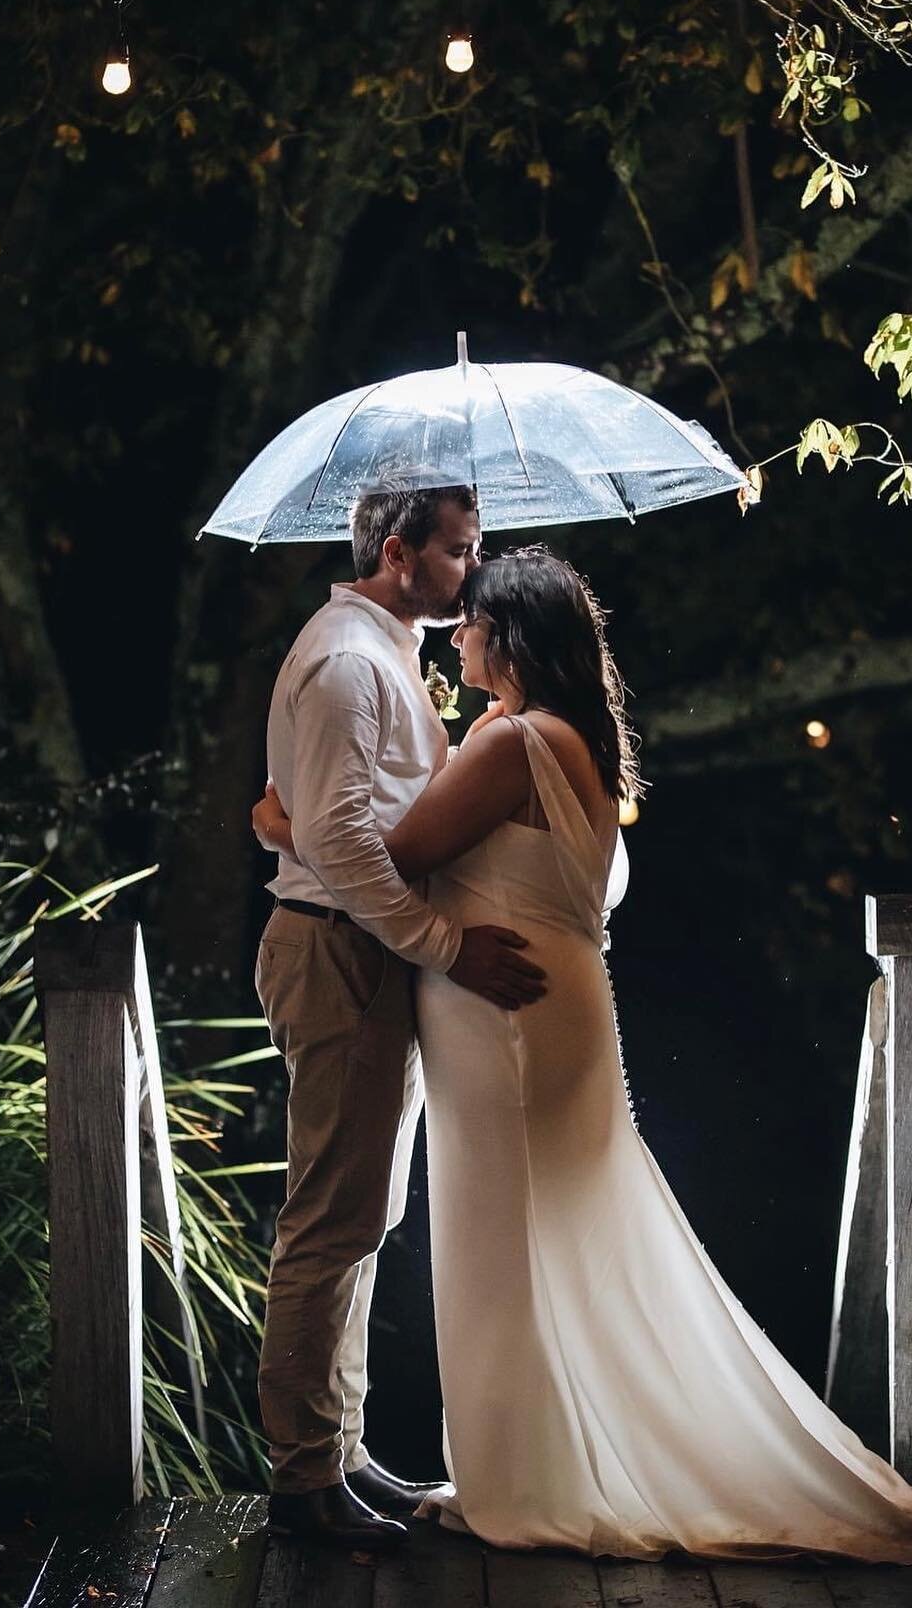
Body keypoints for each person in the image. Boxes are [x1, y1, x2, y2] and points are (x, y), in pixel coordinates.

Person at [252, 544, 912, 1564]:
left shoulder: (510, 744)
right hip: (560, 1009)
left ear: (510, 637)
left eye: (474, 623)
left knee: (505, 1246)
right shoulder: (575, 738)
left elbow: (390, 862)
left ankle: (527, 1477)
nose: (459, 637)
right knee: (555, 1238)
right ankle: (544, 1459)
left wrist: (284, 820)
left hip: (505, 1026)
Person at [253, 480, 548, 1552]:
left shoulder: (383, 653)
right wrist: (444, 946)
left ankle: (342, 1451)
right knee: (332, 1218)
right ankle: (301, 1479)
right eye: (461, 552)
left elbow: (330, 814)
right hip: (340, 955)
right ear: (398, 548)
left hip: (365, 953)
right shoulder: (346, 659)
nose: (475, 571)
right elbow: (336, 843)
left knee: (365, 1214)